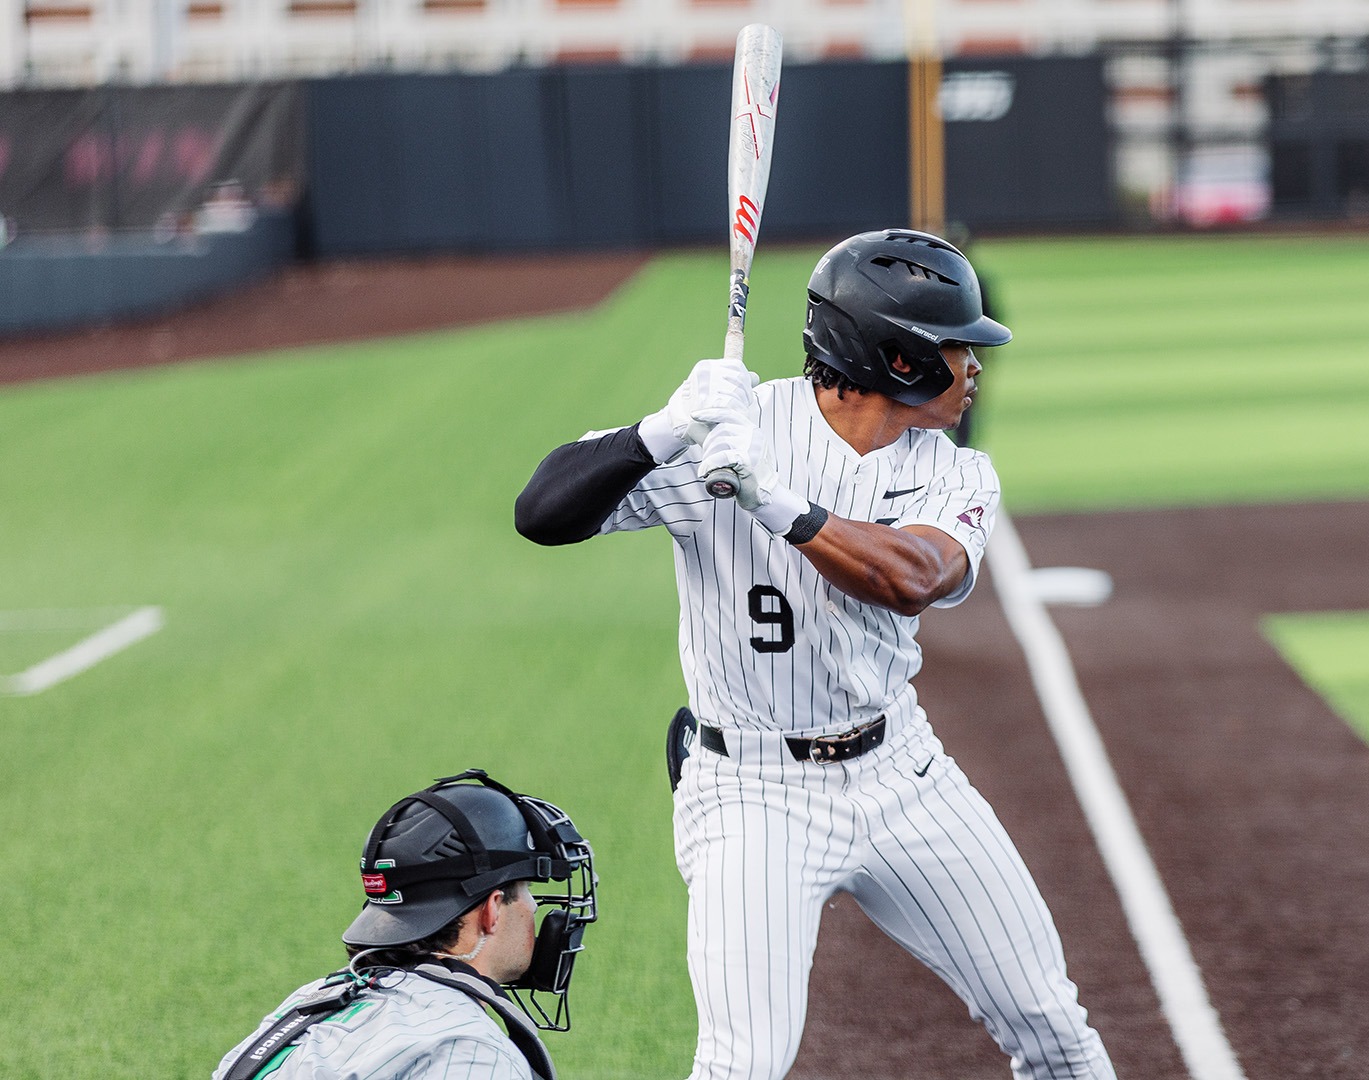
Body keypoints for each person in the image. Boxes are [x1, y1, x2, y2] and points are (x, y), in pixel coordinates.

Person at [515, 228, 1115, 1080]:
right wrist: (661, 430)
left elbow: (917, 577)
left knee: (1053, 1026)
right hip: (752, 792)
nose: (976, 365)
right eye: (958, 346)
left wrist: (774, 503)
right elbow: (540, 512)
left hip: (902, 772)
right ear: (900, 359)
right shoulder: (729, 429)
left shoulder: (954, 472)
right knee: (743, 1064)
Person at [212, 770, 598, 1080]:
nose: (533, 907)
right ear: (492, 910)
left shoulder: (309, 1004)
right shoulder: (470, 1051)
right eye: (527, 889)